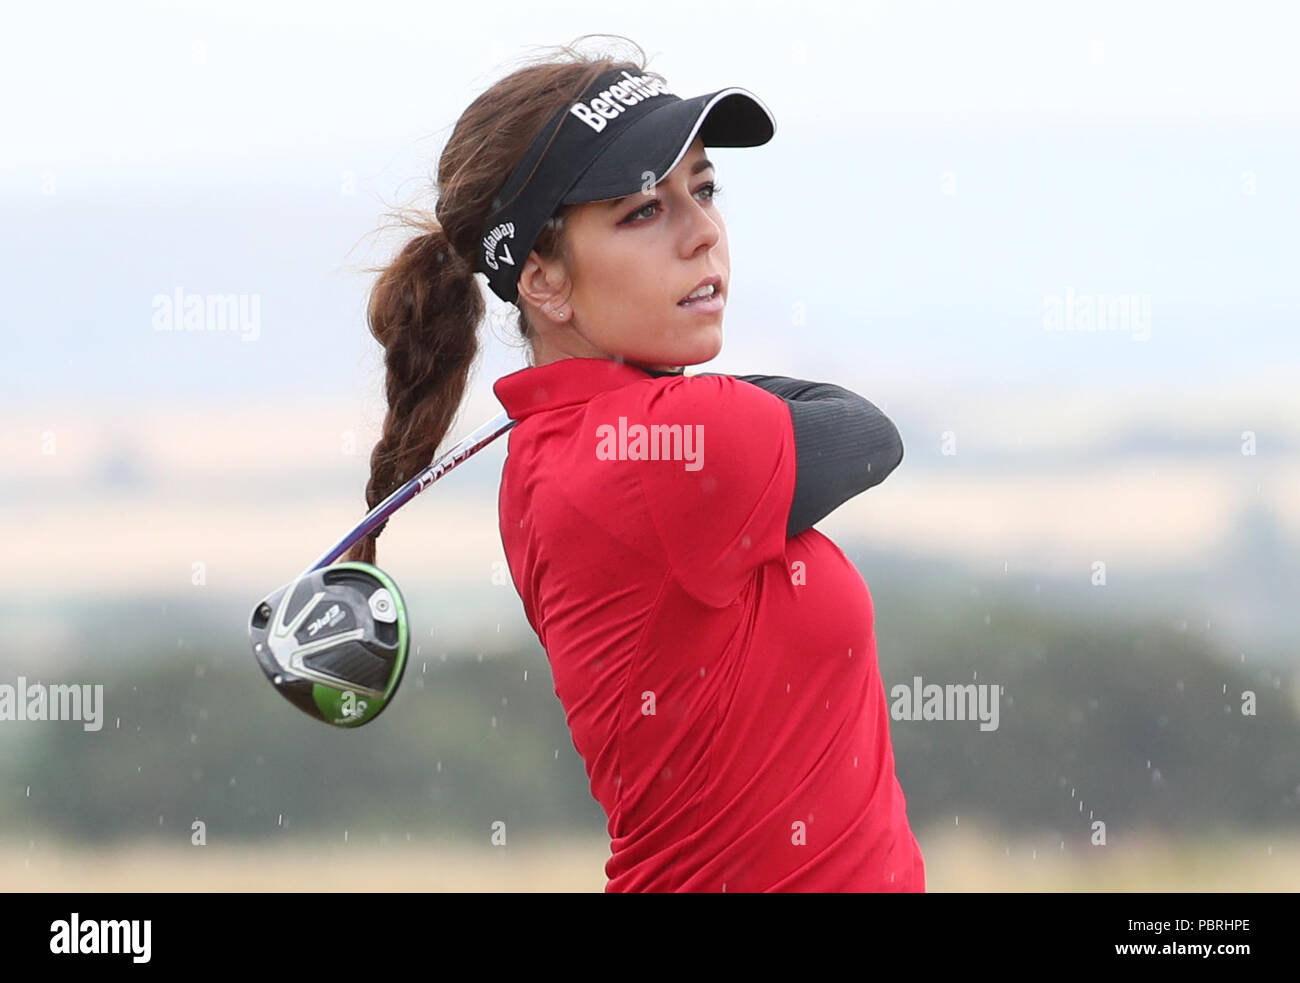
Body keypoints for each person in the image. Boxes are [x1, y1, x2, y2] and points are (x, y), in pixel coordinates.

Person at [345, 36, 925, 893]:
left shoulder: (565, 449)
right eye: (642, 211)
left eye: (704, 189)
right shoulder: (662, 451)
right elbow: (866, 432)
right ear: (543, 281)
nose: (704, 236)